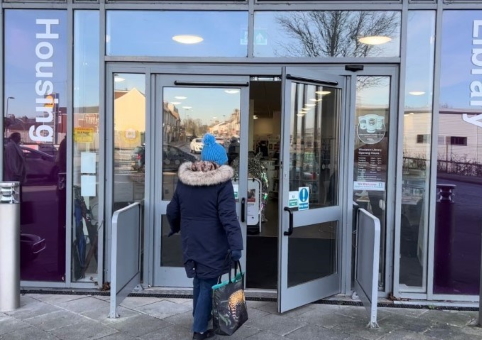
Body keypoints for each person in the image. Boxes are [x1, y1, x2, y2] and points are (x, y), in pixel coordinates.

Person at [166, 133, 243, 340]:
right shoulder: (222, 184)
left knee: (200, 281)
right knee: (208, 283)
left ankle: (199, 318)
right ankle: (199, 330)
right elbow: (228, 217)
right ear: (219, 163)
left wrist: (175, 227)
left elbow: (172, 209)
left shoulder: (185, 180)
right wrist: (236, 246)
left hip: (190, 240)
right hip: (213, 242)